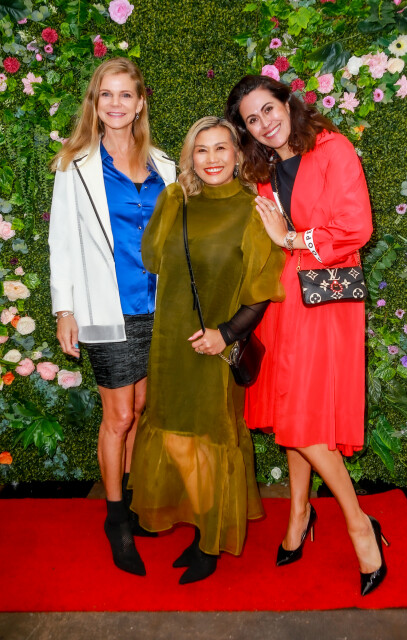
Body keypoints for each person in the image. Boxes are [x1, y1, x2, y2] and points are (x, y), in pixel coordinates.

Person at [226, 75, 388, 596]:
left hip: (326, 302)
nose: (264, 123)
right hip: (284, 302)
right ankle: (299, 512)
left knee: (303, 414)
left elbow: (356, 227)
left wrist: (292, 238)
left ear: (287, 103)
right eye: (252, 120)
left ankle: (359, 523)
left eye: (268, 109)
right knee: (294, 412)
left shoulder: (333, 149)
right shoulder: (265, 171)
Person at [128, 116, 285, 583]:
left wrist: (226, 333)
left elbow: (262, 289)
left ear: (238, 155)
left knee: (210, 441)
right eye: (202, 150)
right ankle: (193, 520)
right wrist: (170, 199)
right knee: (174, 435)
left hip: (215, 347)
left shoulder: (252, 210)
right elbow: (152, 258)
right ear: (190, 158)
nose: (212, 158)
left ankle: (208, 540)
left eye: (221, 148)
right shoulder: (180, 201)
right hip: (170, 343)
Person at [49, 58, 176, 576]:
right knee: (118, 416)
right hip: (107, 307)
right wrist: (64, 309)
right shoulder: (75, 165)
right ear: (95, 103)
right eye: (107, 94)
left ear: (141, 102)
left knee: (141, 407)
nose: (116, 104)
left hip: (160, 308)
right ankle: (116, 516)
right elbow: (61, 242)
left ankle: (132, 499)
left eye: (126, 94)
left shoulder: (165, 165)